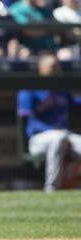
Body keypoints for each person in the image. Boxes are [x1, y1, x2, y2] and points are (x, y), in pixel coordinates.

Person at [17, 53, 81, 193]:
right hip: (38, 139)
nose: (57, 69)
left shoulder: (61, 89)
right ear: (42, 68)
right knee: (58, 138)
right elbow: (28, 121)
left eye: (58, 66)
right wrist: (55, 131)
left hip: (64, 135)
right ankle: (51, 188)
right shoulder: (30, 90)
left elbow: (75, 103)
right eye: (53, 66)